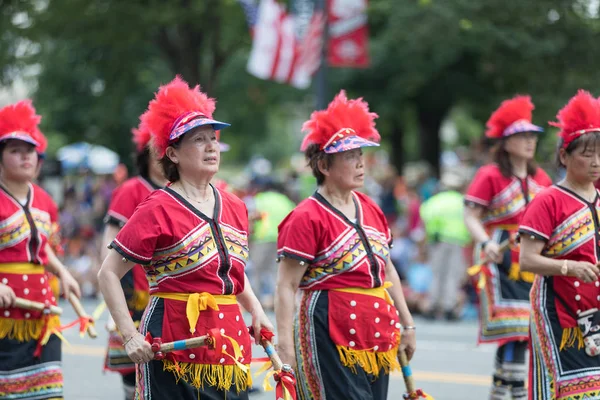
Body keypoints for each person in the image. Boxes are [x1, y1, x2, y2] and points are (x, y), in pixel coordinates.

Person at [98, 76, 273, 400]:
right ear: (173, 154)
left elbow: (230, 271)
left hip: (227, 341)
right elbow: (108, 272)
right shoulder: (157, 207)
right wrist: (129, 334)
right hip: (173, 341)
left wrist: (256, 309)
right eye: (197, 140)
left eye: (213, 138)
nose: (211, 147)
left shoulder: (234, 205)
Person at [275, 90, 416, 400]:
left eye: (360, 156)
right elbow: (286, 286)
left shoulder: (371, 208)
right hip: (328, 327)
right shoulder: (306, 216)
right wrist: (284, 345)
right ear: (324, 166)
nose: (360, 164)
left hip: (376, 325)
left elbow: (386, 267)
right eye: (350, 156)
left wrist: (408, 324)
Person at [463, 95, 552, 400]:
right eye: (522, 136)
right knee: (514, 331)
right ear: (506, 141)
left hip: (532, 259)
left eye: (532, 136)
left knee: (528, 333)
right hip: (499, 260)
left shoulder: (541, 178)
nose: (529, 142)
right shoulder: (489, 175)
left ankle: (504, 393)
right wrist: (485, 241)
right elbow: (471, 215)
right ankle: (511, 394)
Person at [519, 90, 600, 400]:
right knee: (577, 392)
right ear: (565, 156)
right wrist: (570, 267)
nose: (596, 162)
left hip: (594, 310)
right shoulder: (548, 200)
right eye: (587, 154)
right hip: (559, 309)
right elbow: (527, 259)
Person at [0, 100, 80, 399]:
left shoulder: (45, 200)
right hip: (4, 314)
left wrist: (64, 274)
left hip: (43, 309)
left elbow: (44, 250)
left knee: (46, 390)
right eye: (15, 151)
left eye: (30, 151)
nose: (25, 157)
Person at [100, 120, 167, 400]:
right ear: (146, 156)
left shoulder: (180, 192)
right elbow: (109, 243)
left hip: (167, 293)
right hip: (133, 290)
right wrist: (108, 281)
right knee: (134, 369)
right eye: (157, 151)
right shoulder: (131, 190)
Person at [420, 171, 471, 321]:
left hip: (437, 241)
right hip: (458, 242)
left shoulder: (434, 201)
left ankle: (433, 305)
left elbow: (426, 219)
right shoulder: (463, 201)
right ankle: (449, 307)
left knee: (436, 274)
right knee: (452, 275)